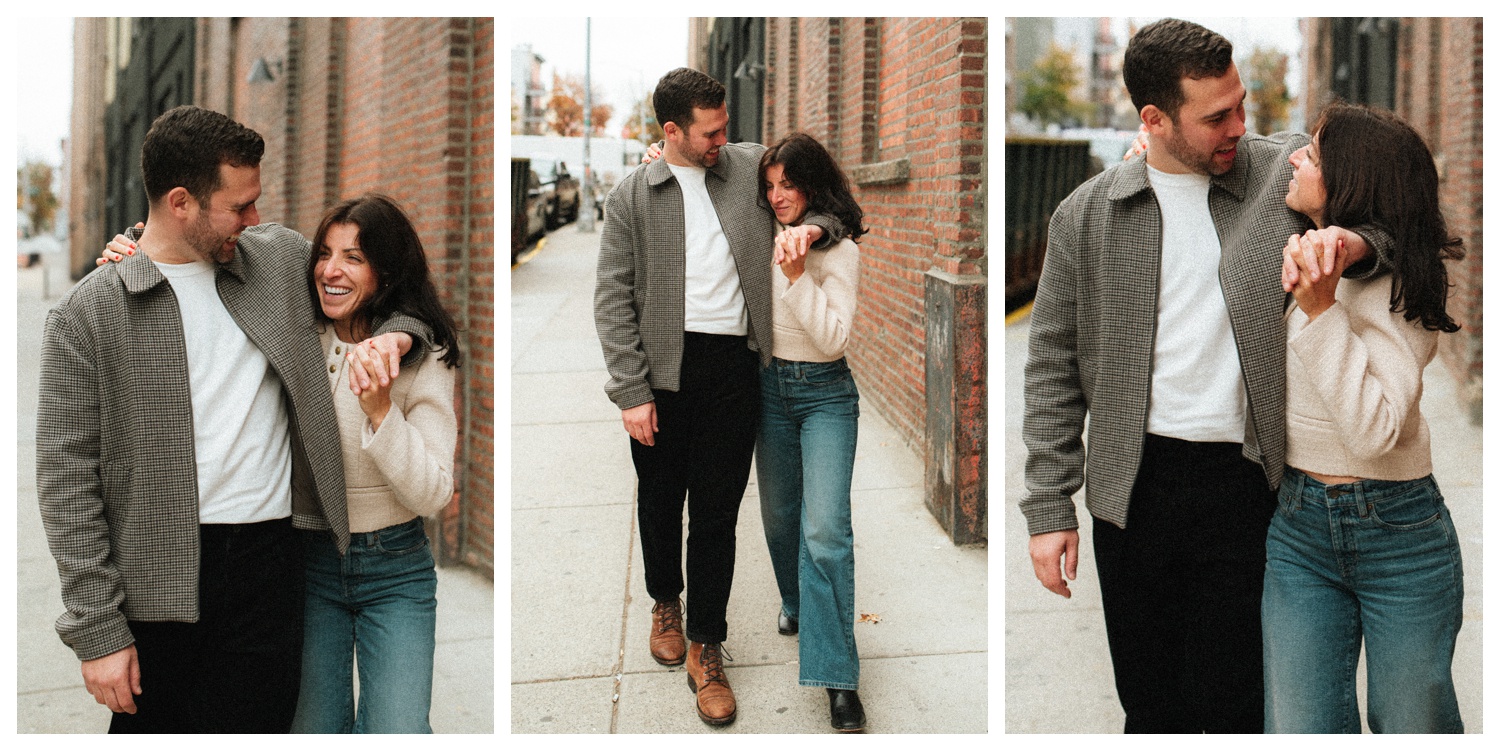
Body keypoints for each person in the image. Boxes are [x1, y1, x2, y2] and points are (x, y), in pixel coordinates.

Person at [1020, 19, 1391, 732]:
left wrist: (1352, 242)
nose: (1239, 126)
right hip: (1132, 490)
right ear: (1153, 120)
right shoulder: (1085, 216)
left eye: (1242, 104)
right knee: (1151, 706)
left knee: (1237, 704)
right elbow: (1052, 369)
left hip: (1249, 486)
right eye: (1217, 116)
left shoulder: (1283, 171)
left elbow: (1397, 214)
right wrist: (1047, 508)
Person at [38, 105, 429, 733]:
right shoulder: (87, 315)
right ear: (181, 203)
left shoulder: (276, 262)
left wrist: (399, 340)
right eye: (239, 206)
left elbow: (389, 293)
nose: (255, 219)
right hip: (158, 577)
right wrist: (97, 631)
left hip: (274, 565)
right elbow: (66, 486)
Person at [594, 67, 843, 726]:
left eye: (724, 127)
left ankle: (707, 641)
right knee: (659, 497)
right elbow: (612, 298)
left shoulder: (746, 168)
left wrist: (813, 231)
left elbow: (825, 199)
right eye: (710, 131)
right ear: (671, 132)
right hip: (659, 373)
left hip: (733, 368)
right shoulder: (632, 196)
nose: (723, 140)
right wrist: (630, 389)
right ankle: (664, 602)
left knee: (714, 513)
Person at [1264, 102, 1465, 734]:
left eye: (1316, 155)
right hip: (1299, 531)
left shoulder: (1405, 288)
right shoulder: (1295, 241)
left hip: (1399, 533)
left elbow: (1374, 431)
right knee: (1301, 729)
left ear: (1353, 182)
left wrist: (1323, 313)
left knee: (1413, 726)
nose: (1296, 156)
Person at [753, 133, 867, 732]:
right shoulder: (761, 236)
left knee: (824, 530)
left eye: (788, 185)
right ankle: (796, 601)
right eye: (770, 186)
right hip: (769, 392)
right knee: (779, 519)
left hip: (825, 395)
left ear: (812, 186)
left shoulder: (837, 251)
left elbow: (833, 341)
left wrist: (798, 277)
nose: (777, 197)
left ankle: (837, 677)